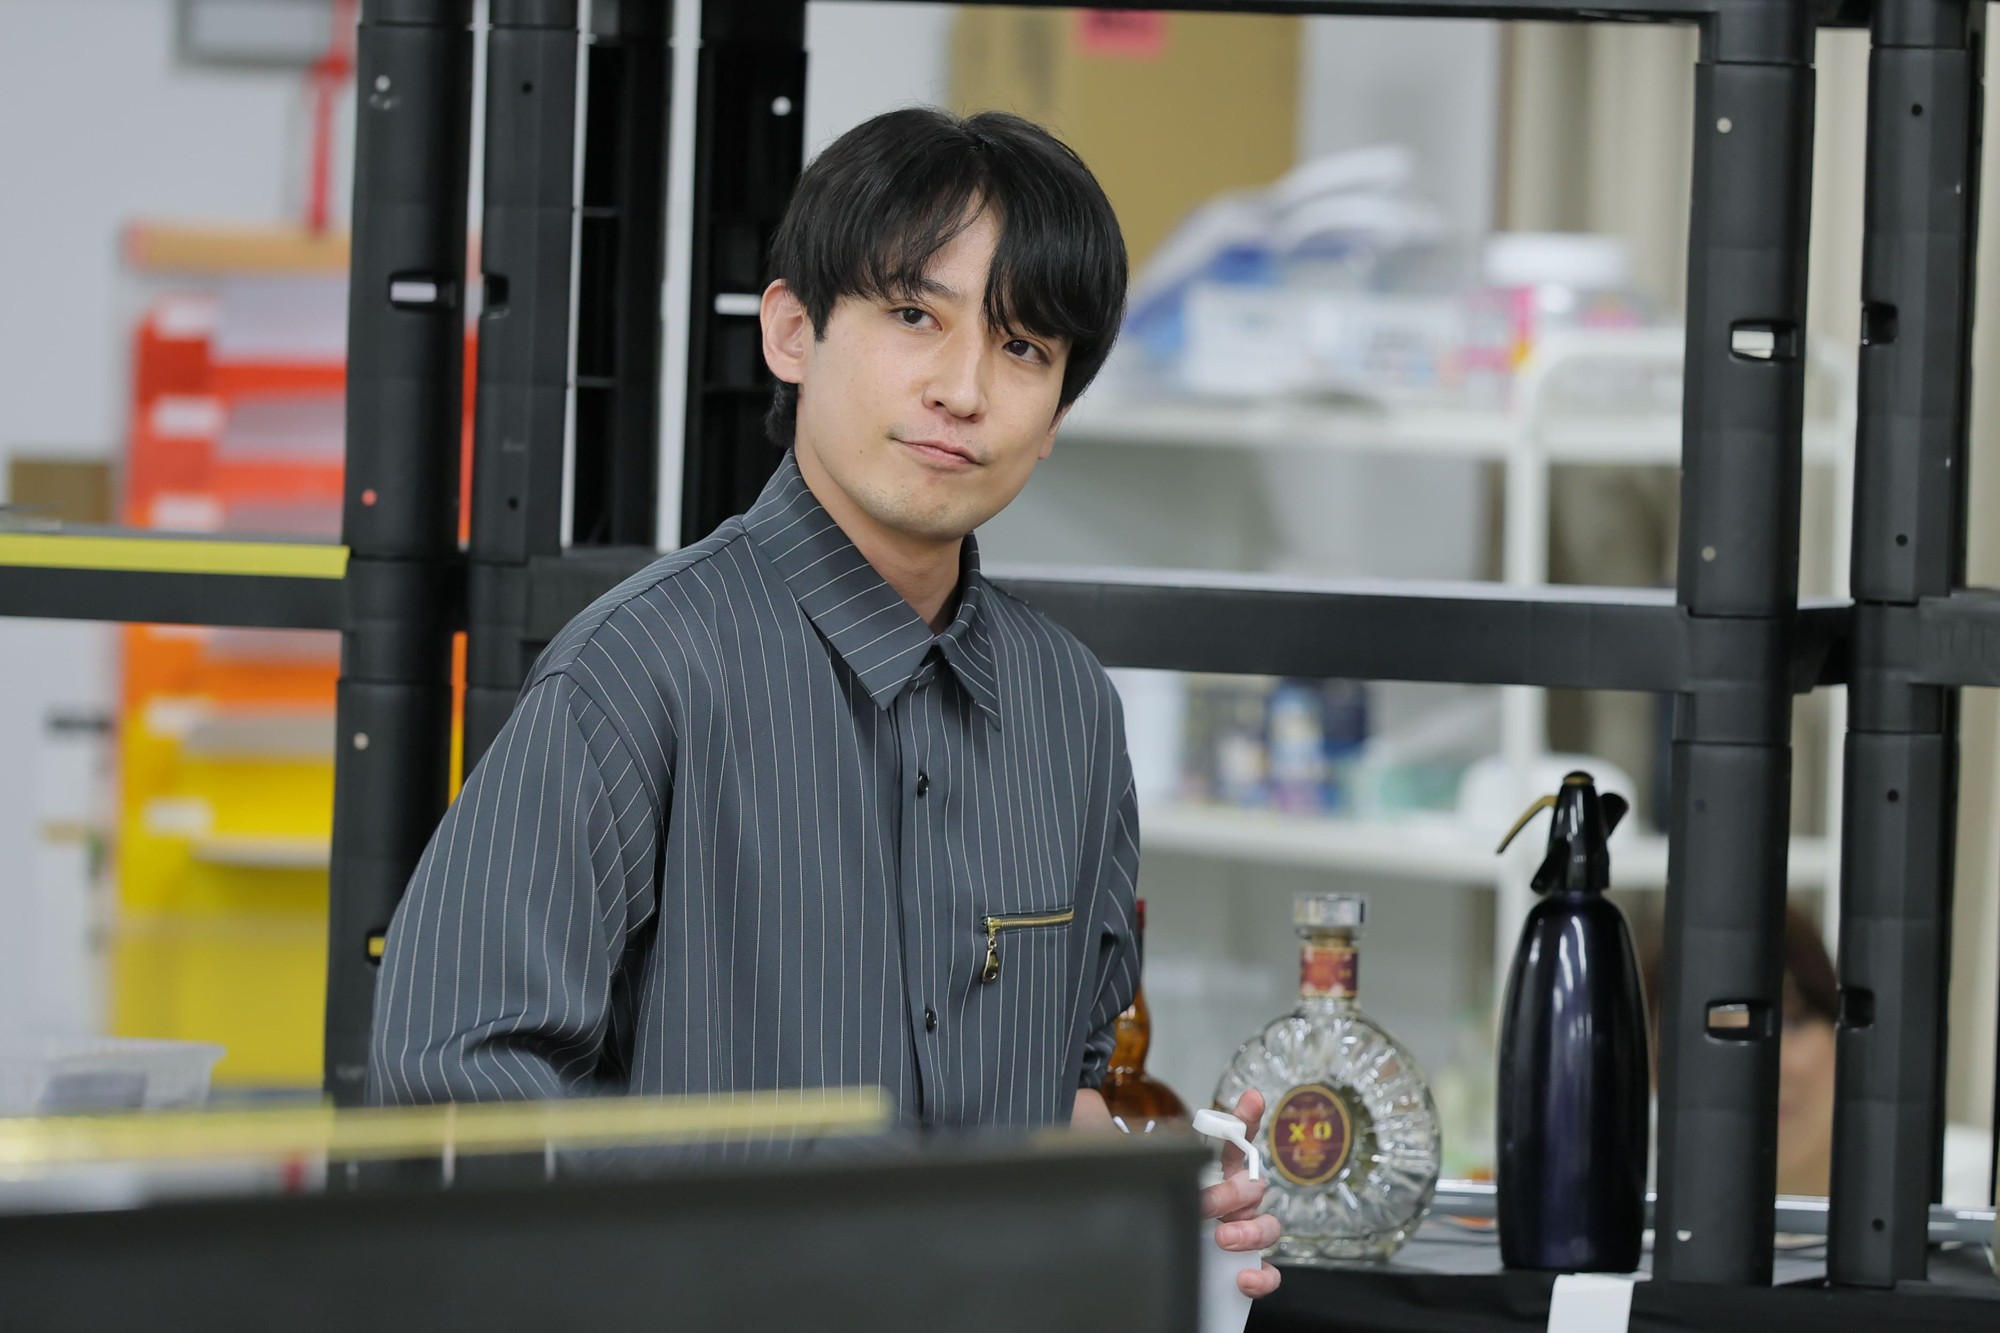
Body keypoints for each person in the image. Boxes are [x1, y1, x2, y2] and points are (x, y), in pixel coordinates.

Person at [365, 107, 1280, 1295]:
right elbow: (456, 1091)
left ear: (1057, 412)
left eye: (1023, 348)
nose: (964, 389)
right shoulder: (637, 673)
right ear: (792, 330)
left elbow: (1066, 1087)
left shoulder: (1068, 710)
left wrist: (1144, 1197)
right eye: (915, 316)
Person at [1644, 904, 1991, 1205]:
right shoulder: (1632, 1207)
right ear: (1656, 1073)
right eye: (1717, 1033)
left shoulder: (1967, 1195)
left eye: (1790, 1022)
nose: (1758, 1066)